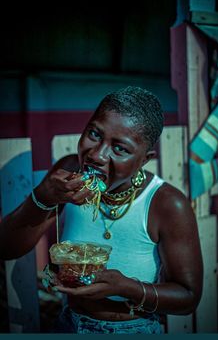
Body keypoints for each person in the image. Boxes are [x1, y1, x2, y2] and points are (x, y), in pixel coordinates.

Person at [0, 86, 203, 334]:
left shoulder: (166, 204)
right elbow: (6, 247)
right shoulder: (68, 173)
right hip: (68, 324)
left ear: (144, 159)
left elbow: (189, 297)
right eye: (94, 134)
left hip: (133, 328)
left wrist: (126, 287)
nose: (97, 155)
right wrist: (42, 197)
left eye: (120, 148)